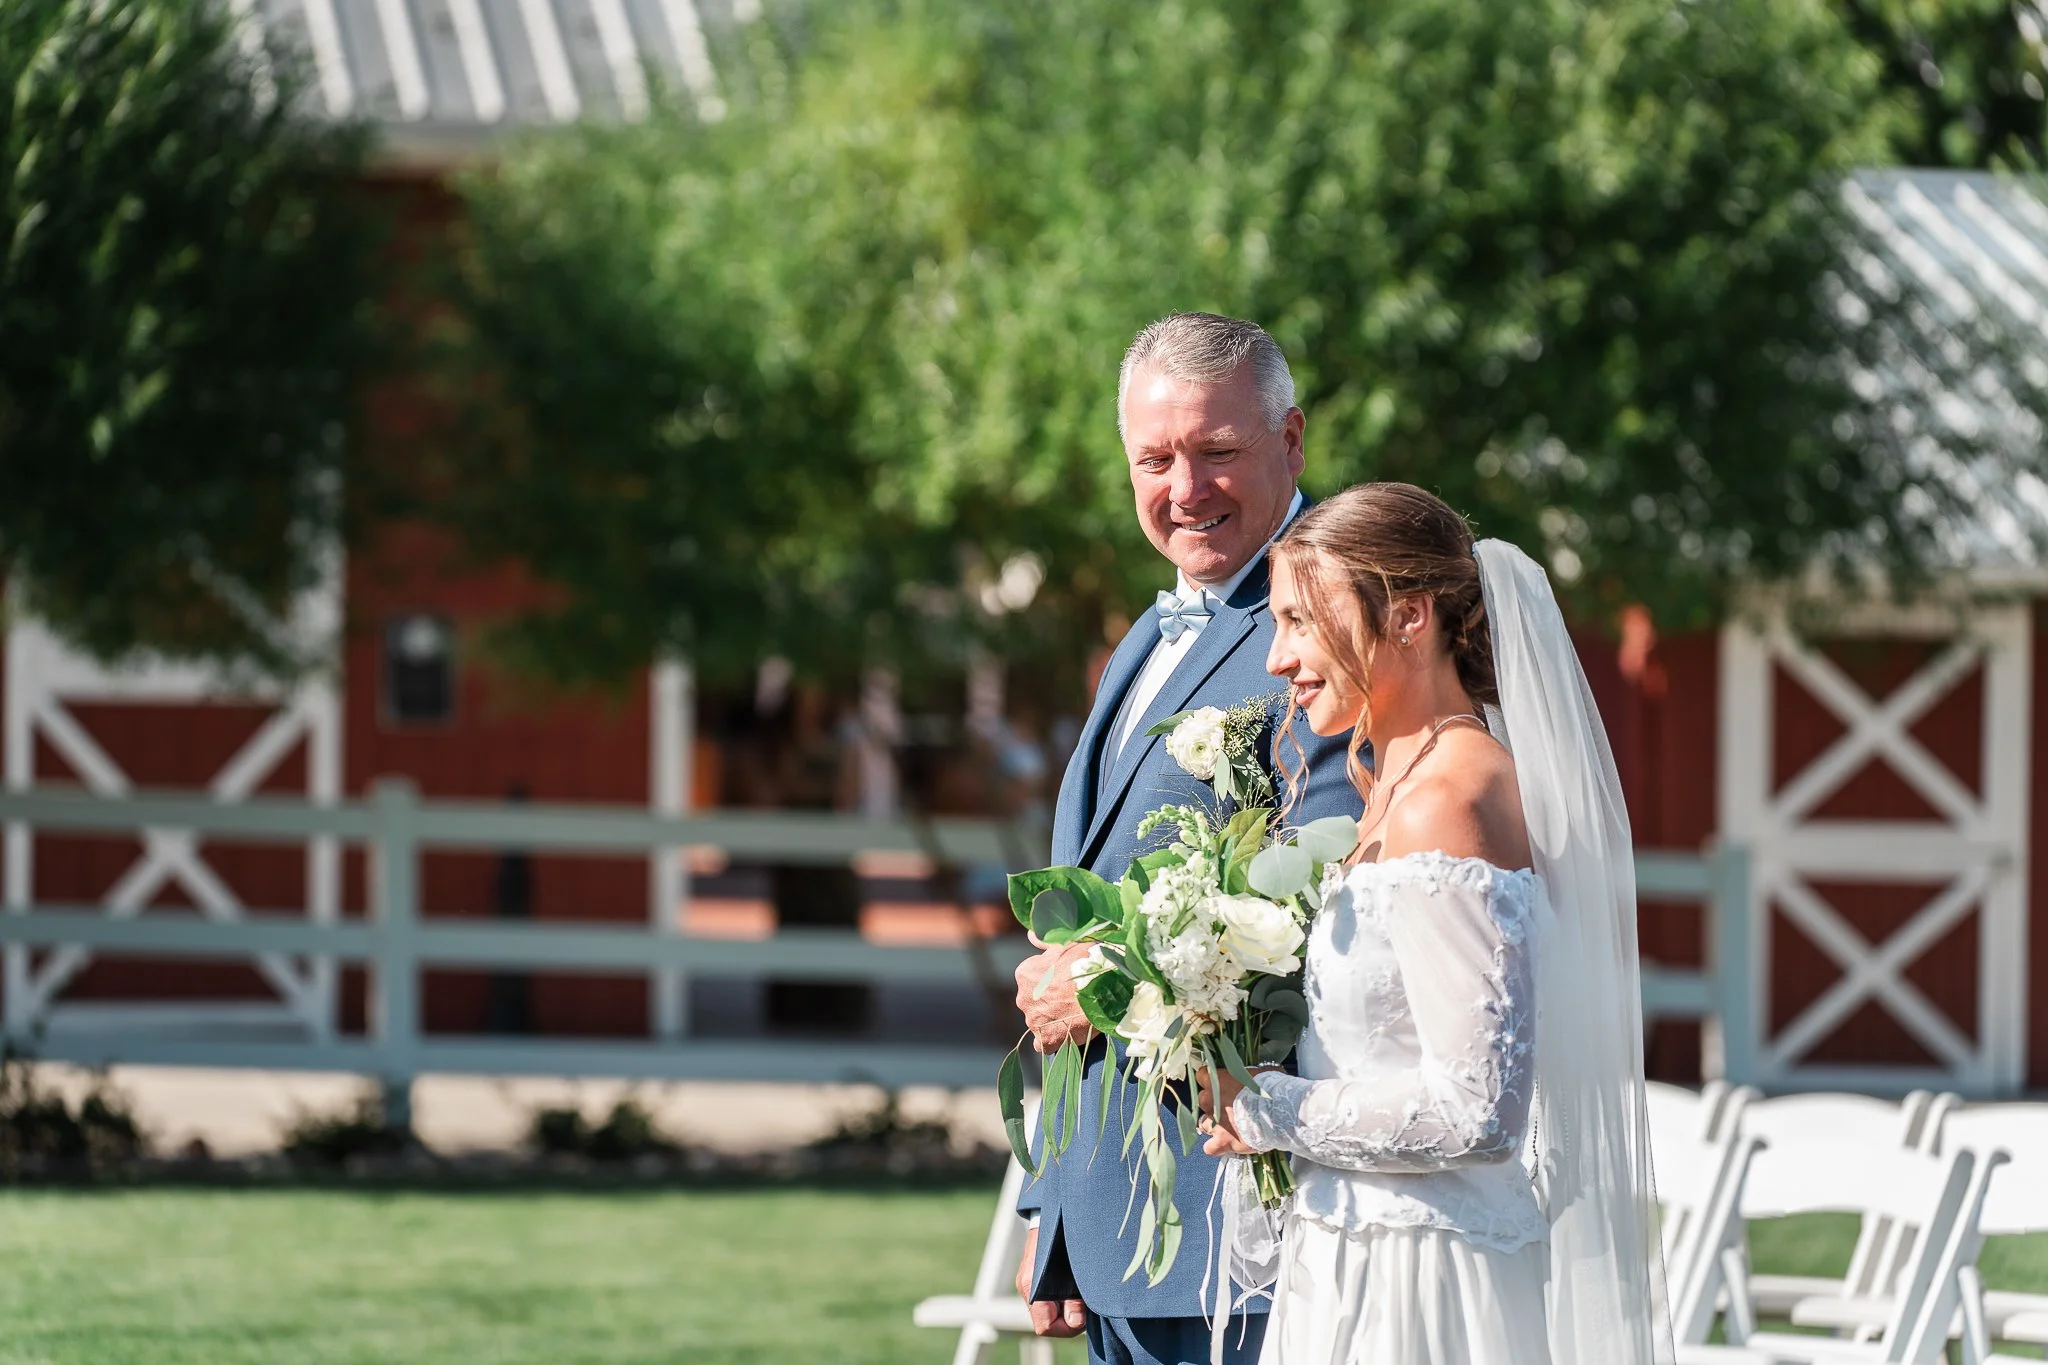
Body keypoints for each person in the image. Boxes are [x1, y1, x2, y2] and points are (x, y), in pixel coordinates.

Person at [1194, 483, 1673, 1365]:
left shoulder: (1447, 798)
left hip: (1421, 1287)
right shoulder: (1394, 789)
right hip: (1352, 1253)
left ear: (1408, 615)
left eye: (1302, 620)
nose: (1277, 656)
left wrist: (1262, 1105)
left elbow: (1476, 1109)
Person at [1011, 313, 1356, 1365]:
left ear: (1289, 443)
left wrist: (1103, 979)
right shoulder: (1141, 641)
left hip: (1233, 1223)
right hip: (1115, 1217)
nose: (1183, 487)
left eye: (1216, 452)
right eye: (1153, 459)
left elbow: (1333, 897)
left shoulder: (1329, 629)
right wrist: (1052, 1210)